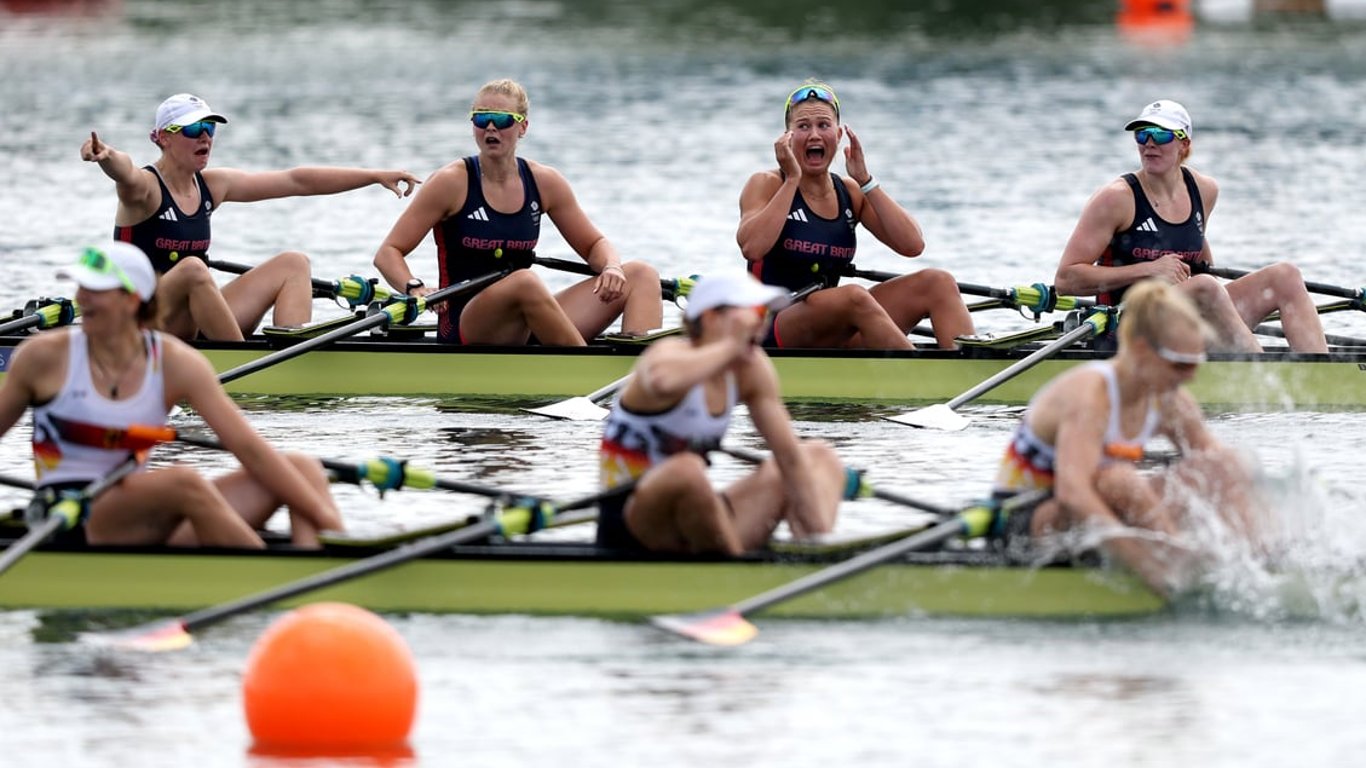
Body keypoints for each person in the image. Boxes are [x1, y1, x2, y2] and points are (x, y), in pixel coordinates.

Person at [0, 242, 343, 549]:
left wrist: (322, 516)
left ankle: (318, 563)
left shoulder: (176, 363)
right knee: (183, 481)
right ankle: (275, 583)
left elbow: (250, 450)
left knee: (303, 468)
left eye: (96, 289)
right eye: (81, 286)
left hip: (140, 514)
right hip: (67, 515)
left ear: (133, 300)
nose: (81, 298)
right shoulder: (43, 357)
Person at [992, 279, 1270, 597]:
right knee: (1121, 480)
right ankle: (1172, 565)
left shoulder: (1171, 400)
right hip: (1026, 521)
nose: (1190, 376)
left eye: (1196, 363)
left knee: (1226, 464)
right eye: (1180, 364)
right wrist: (1145, 563)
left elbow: (1224, 471)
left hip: (1099, 511)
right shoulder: (1091, 395)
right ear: (1142, 351)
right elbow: (1073, 492)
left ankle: (1262, 560)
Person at [80, 92, 420, 341]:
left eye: (210, 129)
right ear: (162, 139)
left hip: (191, 322)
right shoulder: (145, 190)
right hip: (141, 325)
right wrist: (106, 155)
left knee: (293, 263)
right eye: (193, 129)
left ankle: (289, 350)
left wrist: (373, 175)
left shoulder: (212, 185)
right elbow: (124, 172)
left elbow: (296, 181)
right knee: (194, 269)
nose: (204, 137)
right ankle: (246, 366)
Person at [373, 78, 662, 345]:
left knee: (641, 275)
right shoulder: (451, 182)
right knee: (525, 282)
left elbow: (594, 244)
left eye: (501, 120)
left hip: (525, 317)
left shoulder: (545, 182)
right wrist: (414, 287)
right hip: (466, 324)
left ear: (523, 127)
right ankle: (586, 371)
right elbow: (388, 253)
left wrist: (611, 265)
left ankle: (647, 372)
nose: (490, 128)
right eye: (481, 119)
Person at [596, 272, 846, 555]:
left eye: (765, 313)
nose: (761, 322)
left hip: (699, 522)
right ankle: (731, 578)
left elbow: (788, 457)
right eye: (753, 312)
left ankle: (817, 557)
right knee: (686, 470)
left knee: (816, 456)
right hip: (633, 524)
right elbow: (662, 381)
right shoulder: (666, 355)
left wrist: (818, 537)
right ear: (711, 318)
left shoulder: (750, 368)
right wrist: (730, 346)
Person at [1054, 99, 1327, 353]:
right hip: (1128, 328)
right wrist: (1149, 269)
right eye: (1141, 135)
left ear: (1184, 144)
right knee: (1205, 287)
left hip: (1184, 323)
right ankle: (1264, 377)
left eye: (1160, 135)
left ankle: (1321, 374)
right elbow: (1066, 279)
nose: (1149, 143)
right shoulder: (1115, 198)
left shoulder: (1204, 190)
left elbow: (1200, 255)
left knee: (1285, 276)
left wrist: (1220, 306)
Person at [736, 79, 974, 350]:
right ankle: (926, 381)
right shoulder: (767, 183)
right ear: (787, 139)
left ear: (838, 136)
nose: (814, 135)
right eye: (803, 126)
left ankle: (971, 371)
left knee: (938, 282)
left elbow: (913, 245)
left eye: (823, 126)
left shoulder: (850, 192)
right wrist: (792, 180)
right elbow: (752, 248)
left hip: (834, 323)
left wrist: (866, 180)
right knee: (853, 297)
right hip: (769, 327)